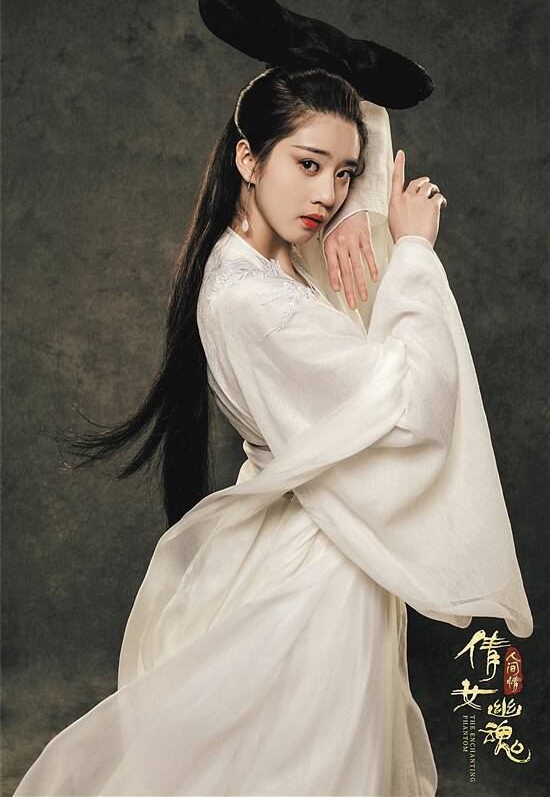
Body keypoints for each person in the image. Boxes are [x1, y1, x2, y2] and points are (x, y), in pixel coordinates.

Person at [13, 63, 532, 796]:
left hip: (327, 541)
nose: (327, 193)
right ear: (248, 158)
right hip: (320, 562)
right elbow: (412, 408)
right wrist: (414, 251)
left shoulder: (282, 259)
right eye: (307, 165)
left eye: (343, 174)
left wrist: (357, 210)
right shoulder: (250, 299)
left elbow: (366, 123)